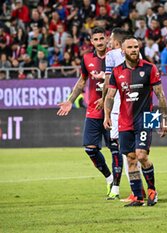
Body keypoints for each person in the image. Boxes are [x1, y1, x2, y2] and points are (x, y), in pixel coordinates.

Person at [104, 35, 167, 207]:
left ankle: (152, 190)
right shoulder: (117, 71)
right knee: (130, 158)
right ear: (123, 50)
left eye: (136, 47)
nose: (134, 50)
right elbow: (110, 96)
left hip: (148, 117)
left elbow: (160, 95)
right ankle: (138, 196)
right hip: (124, 120)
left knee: (141, 155)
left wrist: (164, 120)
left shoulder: (149, 68)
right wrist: (107, 115)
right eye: (130, 47)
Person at [57, 27, 116, 198]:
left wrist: (105, 99)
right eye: (95, 39)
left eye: (101, 38)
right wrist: (70, 99)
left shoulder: (115, 57)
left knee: (116, 150)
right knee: (90, 149)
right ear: (91, 41)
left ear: (106, 39)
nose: (99, 42)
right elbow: (82, 81)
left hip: (112, 110)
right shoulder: (87, 58)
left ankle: (117, 188)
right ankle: (109, 177)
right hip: (93, 111)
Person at [103, 28, 142, 202]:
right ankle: (137, 190)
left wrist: (105, 107)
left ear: (117, 42)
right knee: (137, 153)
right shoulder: (136, 56)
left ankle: (134, 191)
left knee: (125, 153)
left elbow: (107, 82)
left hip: (120, 109)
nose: (108, 42)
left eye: (110, 38)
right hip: (135, 108)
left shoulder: (111, 55)